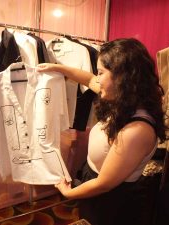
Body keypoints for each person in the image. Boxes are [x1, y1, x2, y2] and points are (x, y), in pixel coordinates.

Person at [37, 38, 167, 225]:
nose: (97, 78)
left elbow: (104, 184)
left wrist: (68, 193)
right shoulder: (124, 97)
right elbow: (88, 79)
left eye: (101, 73)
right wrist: (58, 68)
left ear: (122, 76)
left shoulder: (137, 130)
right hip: (96, 182)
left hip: (112, 200)